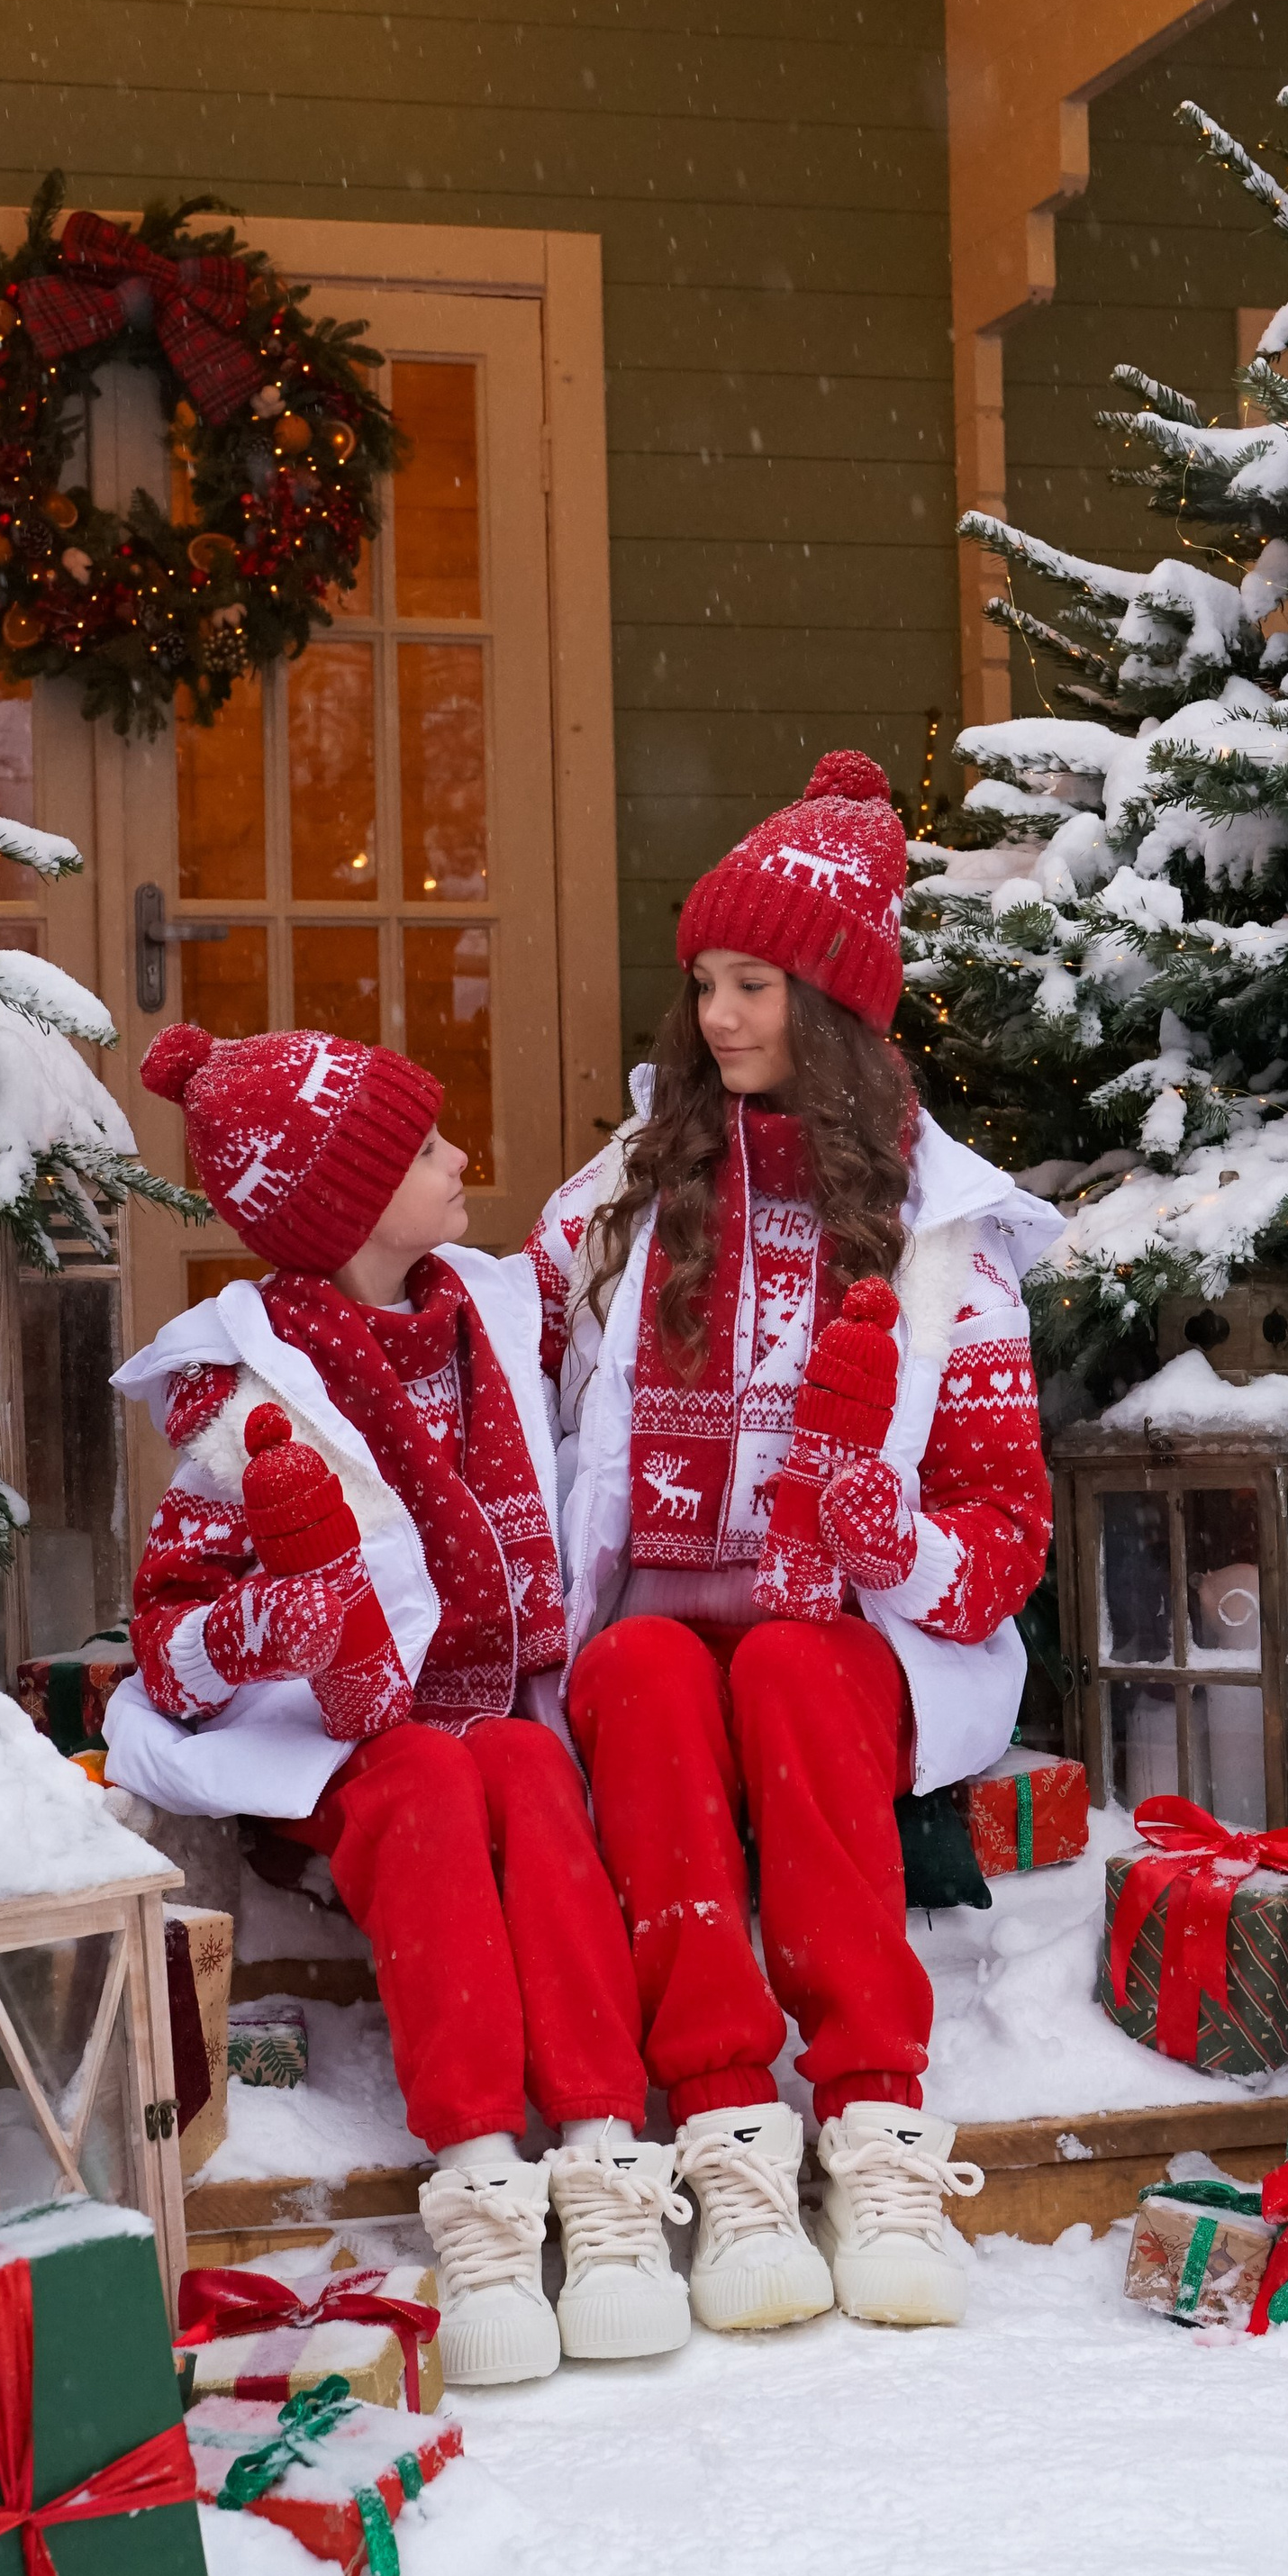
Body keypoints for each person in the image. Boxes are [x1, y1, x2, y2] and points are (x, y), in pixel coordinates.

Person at [531, 751, 1060, 2333]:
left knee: (786, 1669)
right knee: (637, 1669)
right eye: (702, 984)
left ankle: (875, 2114)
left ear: (830, 1003)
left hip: (850, 1638)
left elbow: (1006, 1533)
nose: (717, 1019)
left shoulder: (944, 1246)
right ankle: (719, 2117)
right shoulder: (624, 1202)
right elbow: (488, 1365)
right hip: (650, 1615)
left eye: (754, 985)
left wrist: (886, 1535)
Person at [100, 1022, 688, 2390]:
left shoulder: (487, 1306)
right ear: (352, 1202)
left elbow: (598, 1228)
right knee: (431, 1779)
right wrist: (282, 1622)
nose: (462, 1159)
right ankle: (480, 2178)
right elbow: (167, 1640)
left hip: (494, 1725)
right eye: (428, 1148)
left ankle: (600, 2155)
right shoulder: (242, 1407)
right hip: (344, 1756)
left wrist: (689, 1090)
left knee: (532, 1775)